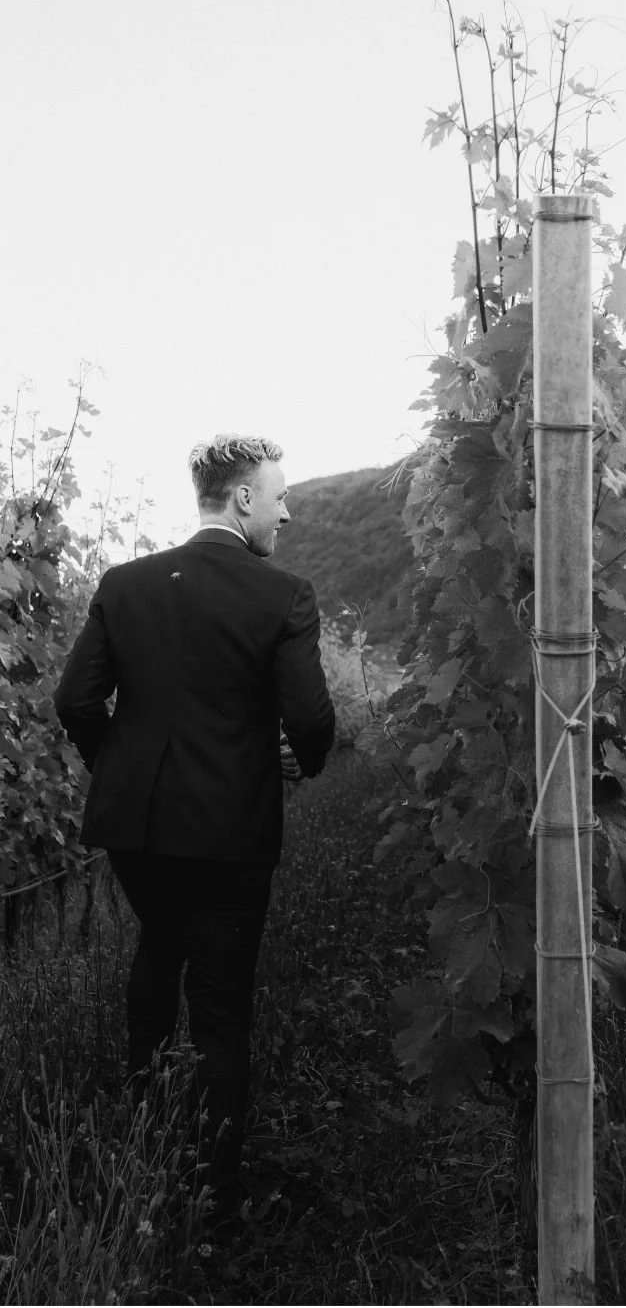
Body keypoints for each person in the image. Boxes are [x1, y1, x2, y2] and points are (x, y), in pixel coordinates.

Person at [54, 434, 336, 1207]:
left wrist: (120, 770)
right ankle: (214, 1194)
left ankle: (139, 1127)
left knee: (160, 945)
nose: (288, 512)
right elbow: (309, 719)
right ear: (243, 498)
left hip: (137, 828)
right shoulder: (283, 595)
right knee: (220, 998)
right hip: (228, 829)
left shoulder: (126, 583)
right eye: (280, 496)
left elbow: (75, 702)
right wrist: (299, 765)